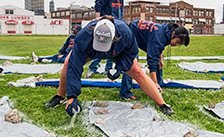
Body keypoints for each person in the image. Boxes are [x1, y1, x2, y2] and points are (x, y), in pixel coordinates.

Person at [42, 16, 175, 116]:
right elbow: (74, 66)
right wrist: (72, 96)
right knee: (67, 63)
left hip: (117, 51)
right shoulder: (84, 37)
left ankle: (162, 104)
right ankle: (61, 97)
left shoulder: (125, 34)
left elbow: (130, 54)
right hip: (91, 50)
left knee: (138, 72)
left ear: (115, 37)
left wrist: (119, 68)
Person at [119, 21, 190, 100]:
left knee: (159, 59)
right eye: (177, 42)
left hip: (145, 36)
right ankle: (125, 93)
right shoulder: (159, 37)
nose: (177, 45)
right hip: (131, 33)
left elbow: (159, 47)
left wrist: (160, 59)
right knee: (131, 63)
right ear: (173, 33)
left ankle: (159, 83)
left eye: (179, 44)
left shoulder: (166, 31)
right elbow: (152, 60)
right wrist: (154, 82)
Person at [85, 0, 127, 78]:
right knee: (102, 46)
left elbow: (121, 7)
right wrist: (97, 20)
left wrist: (120, 21)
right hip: (105, 22)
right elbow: (99, 3)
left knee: (113, 47)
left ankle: (108, 69)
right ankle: (92, 68)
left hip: (116, 22)